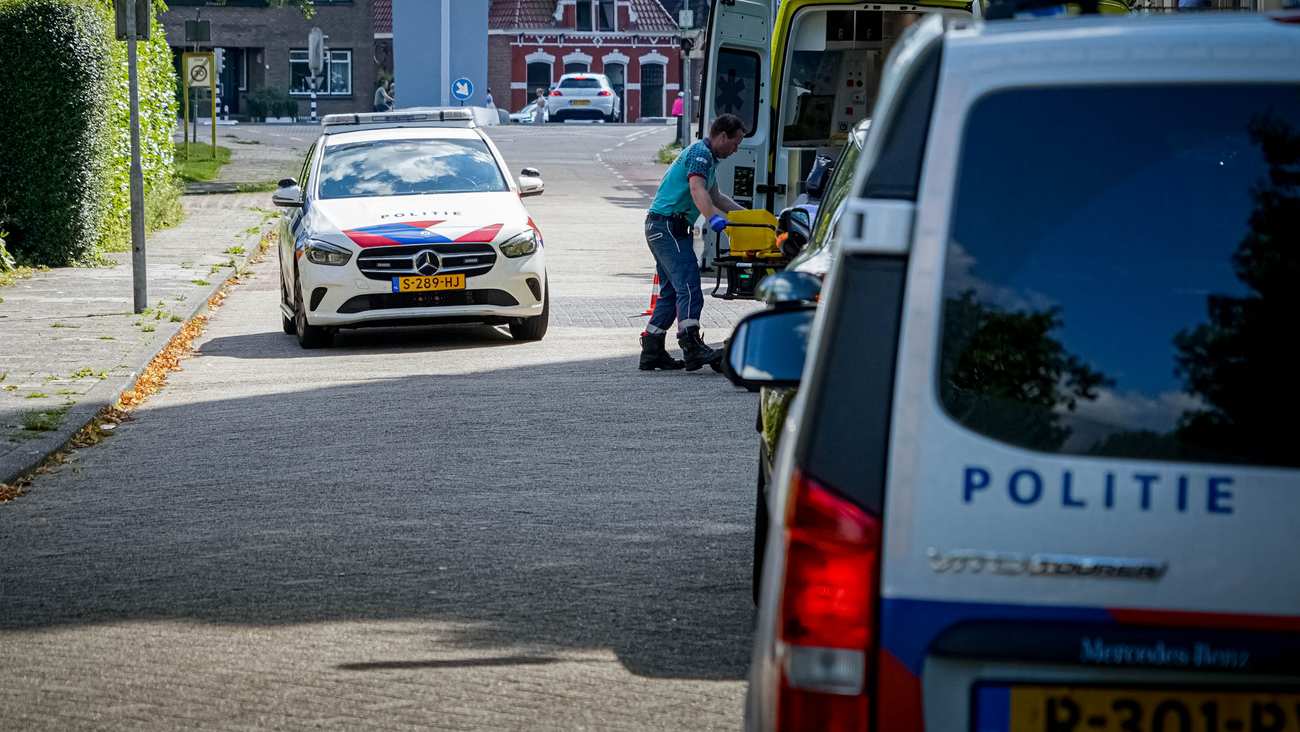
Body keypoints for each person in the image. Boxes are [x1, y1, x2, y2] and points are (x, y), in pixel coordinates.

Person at [639, 113, 746, 372]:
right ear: (722, 136)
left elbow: (716, 197)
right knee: (688, 285)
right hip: (668, 227)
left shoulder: (706, 158)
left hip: (664, 227)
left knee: (672, 291)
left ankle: (652, 349)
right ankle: (691, 344)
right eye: (736, 142)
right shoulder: (700, 155)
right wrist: (711, 218)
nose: (736, 149)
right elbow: (697, 189)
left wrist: (748, 217)